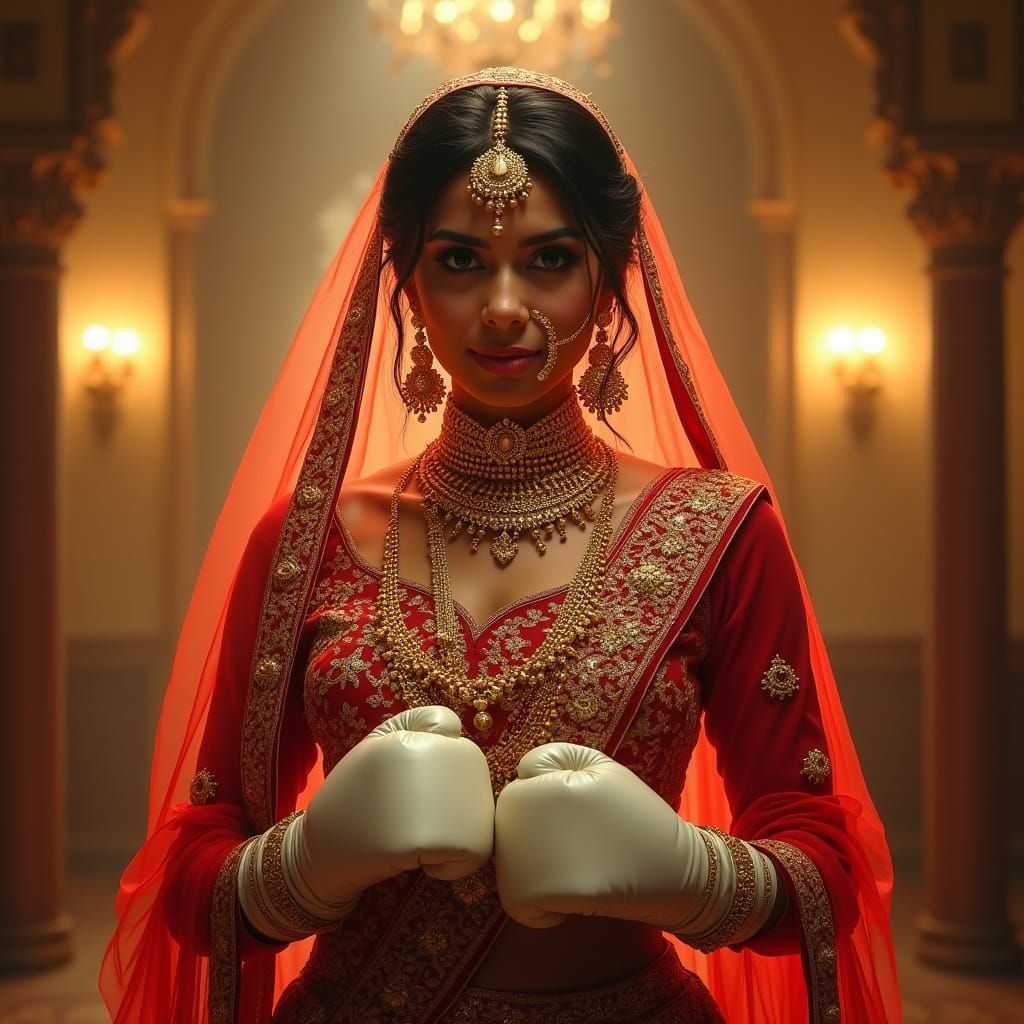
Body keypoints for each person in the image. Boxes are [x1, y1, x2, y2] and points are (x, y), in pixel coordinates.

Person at [100, 68, 901, 1023]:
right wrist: (306, 866)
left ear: (609, 279)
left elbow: (823, 862)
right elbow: (195, 861)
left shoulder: (719, 533)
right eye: (461, 261)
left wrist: (690, 876)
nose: (505, 306)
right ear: (404, 280)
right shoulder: (307, 540)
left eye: (549, 259)